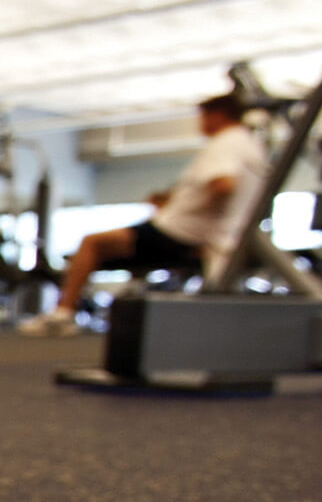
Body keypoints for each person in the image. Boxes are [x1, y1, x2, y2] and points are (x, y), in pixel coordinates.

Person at [20, 94, 270, 337]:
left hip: (180, 232)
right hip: (207, 232)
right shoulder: (249, 145)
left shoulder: (224, 142)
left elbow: (223, 187)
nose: (200, 124)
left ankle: (62, 315)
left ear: (218, 116)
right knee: (108, 247)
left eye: (203, 117)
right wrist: (175, 202)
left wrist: (193, 222)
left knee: (92, 243)